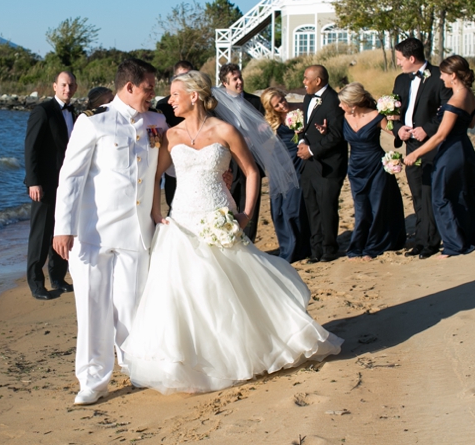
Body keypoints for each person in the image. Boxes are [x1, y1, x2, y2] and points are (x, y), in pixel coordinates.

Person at [121, 71, 342, 395]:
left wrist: (246, 213)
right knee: (185, 293)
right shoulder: (171, 135)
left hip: (217, 217)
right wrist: (156, 212)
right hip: (180, 222)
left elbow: (252, 171)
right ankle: (194, 361)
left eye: (175, 94)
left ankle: (249, 349)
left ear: (194, 95)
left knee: (225, 289)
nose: (170, 100)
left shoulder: (225, 130)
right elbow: (155, 177)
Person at [52, 58, 168, 406]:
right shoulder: (94, 122)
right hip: (93, 235)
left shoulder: (157, 122)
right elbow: (71, 177)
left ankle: (135, 366)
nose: (153, 94)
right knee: (92, 310)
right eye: (148, 88)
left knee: (131, 307)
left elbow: (167, 168)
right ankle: (92, 380)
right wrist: (63, 227)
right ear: (128, 87)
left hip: (136, 234)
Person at [404, 56, 475, 257]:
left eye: (443, 74)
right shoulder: (469, 95)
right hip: (464, 147)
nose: (441, 77)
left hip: (450, 150)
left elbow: (441, 135)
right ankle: (471, 236)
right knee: (463, 193)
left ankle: (454, 244)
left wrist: (415, 153)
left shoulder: (455, 99)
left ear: (453, 76)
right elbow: (470, 124)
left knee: (441, 196)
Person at [392, 37, 453, 258]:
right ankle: (420, 240)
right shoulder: (400, 80)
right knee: (416, 193)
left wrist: (427, 129)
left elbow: (448, 111)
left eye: (400, 59)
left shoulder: (439, 77)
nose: (398, 63)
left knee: (429, 192)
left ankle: (431, 243)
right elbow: (394, 111)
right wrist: (398, 128)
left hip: (432, 143)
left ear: (411, 58)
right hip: (410, 143)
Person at [23, 71, 77, 300]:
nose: (68, 89)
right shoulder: (42, 111)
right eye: (64, 85)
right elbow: (31, 148)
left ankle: (57, 277)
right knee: (41, 234)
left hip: (66, 183)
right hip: (44, 184)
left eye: (71, 85)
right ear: (55, 86)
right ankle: (36, 283)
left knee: (61, 228)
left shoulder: (74, 113)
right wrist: (33, 181)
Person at [337, 82, 406, 260]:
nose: (339, 106)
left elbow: (395, 133)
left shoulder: (377, 116)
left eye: (342, 103)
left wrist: (395, 120)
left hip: (376, 165)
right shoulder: (343, 117)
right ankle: (357, 246)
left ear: (353, 105)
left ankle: (373, 247)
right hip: (355, 168)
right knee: (361, 209)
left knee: (377, 206)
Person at [296, 65, 348, 263]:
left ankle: (329, 249)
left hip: (328, 165)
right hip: (309, 165)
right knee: (312, 207)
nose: (303, 82)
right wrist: (302, 142)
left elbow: (336, 136)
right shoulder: (308, 97)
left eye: (306, 78)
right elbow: (304, 126)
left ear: (318, 81)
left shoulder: (334, 101)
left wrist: (311, 150)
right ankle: (315, 249)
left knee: (327, 207)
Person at [259, 88, 311, 263]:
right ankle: (287, 247)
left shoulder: (299, 110)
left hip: (298, 162)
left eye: (282, 99)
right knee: (279, 207)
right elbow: (255, 142)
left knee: (294, 207)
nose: (283, 104)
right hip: (279, 164)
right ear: (271, 108)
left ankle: (301, 246)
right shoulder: (269, 122)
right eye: (277, 104)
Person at [218, 63, 264, 241]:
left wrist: (255, 138)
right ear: (224, 83)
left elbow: (266, 130)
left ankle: (249, 242)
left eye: (240, 77)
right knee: (229, 203)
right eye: (234, 79)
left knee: (250, 204)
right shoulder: (217, 105)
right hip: (228, 163)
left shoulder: (256, 102)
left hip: (251, 160)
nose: (239, 82)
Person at [155, 60, 195, 210]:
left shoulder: (201, 103)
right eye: (182, 76)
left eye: (189, 76)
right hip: (174, 162)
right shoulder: (164, 105)